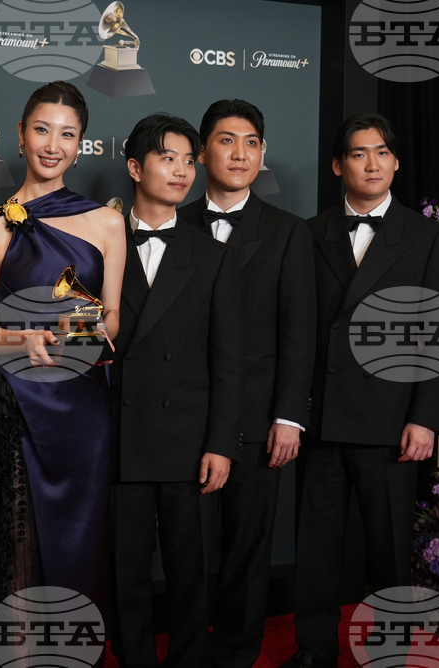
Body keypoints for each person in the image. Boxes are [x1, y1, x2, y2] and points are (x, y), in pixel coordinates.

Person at [0, 81, 126, 665]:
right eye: (42, 130)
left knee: (80, 546)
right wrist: (19, 339)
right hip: (15, 411)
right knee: (18, 550)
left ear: (81, 144)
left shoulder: (107, 222)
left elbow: (112, 322)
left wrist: (69, 338)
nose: (53, 145)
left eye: (68, 134)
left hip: (83, 413)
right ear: (21, 134)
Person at [282, 112, 439, 668]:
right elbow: (298, 332)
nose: (372, 163)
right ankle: (313, 649)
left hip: (392, 420)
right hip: (325, 416)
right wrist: (292, 412)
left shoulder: (429, 237)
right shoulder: (309, 233)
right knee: (316, 549)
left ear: (396, 161)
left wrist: (426, 417)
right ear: (339, 165)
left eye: (382, 152)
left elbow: (438, 333)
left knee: (388, 551)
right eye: (359, 154)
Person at [178, 99, 316, 668]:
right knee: (188, 551)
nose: (240, 153)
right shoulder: (173, 222)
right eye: (227, 140)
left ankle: (235, 655)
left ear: (262, 154)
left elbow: (299, 331)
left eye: (252, 142)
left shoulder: (288, 232)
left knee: (246, 549)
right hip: (185, 416)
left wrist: (289, 415)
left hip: (259, 419)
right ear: (203, 151)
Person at [109, 112, 243, 667]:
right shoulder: (100, 245)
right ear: (136, 166)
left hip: (189, 443)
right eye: (169, 158)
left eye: (190, 160)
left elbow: (228, 361)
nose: (183, 171)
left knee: (192, 575)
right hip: (117, 438)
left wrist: (221, 442)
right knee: (124, 575)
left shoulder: (212, 254)